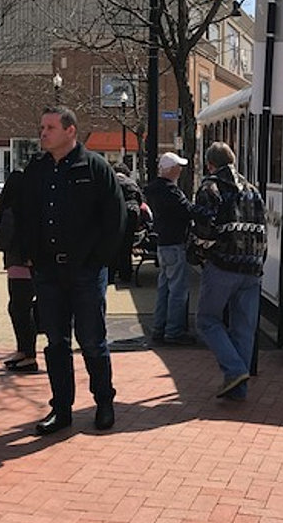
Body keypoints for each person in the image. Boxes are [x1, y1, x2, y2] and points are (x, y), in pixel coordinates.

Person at [16, 106, 125, 435]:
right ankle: (61, 408)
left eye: (49, 127)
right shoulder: (37, 169)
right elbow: (23, 214)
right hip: (48, 272)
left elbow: (115, 218)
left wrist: (99, 260)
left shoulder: (94, 167)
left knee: (92, 341)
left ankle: (104, 402)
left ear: (70, 131)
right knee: (55, 342)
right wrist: (30, 255)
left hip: (86, 272)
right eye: (41, 127)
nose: (43, 132)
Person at [190, 142, 267, 402]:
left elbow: (204, 230)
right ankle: (237, 389)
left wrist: (200, 252)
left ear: (210, 164)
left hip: (223, 266)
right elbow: (264, 229)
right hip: (252, 268)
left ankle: (234, 371)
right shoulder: (253, 190)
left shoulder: (210, 187)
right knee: (243, 329)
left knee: (207, 320)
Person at [143, 152, 197, 346]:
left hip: (163, 244)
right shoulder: (172, 192)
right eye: (178, 167)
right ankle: (174, 331)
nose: (180, 170)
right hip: (175, 244)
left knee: (164, 288)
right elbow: (188, 211)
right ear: (171, 170)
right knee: (178, 290)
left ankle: (159, 327)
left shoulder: (154, 191)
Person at [0, 168, 39, 373]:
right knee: (26, 307)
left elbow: (1, 241)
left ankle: (27, 353)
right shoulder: (37, 207)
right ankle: (25, 352)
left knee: (19, 309)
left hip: (18, 263)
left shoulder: (11, 211)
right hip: (36, 264)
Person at [109, 162, 143, 285]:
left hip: (116, 214)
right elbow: (140, 200)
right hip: (132, 214)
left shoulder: (110, 180)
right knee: (127, 245)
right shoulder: (131, 182)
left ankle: (110, 275)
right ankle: (126, 274)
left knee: (112, 245)